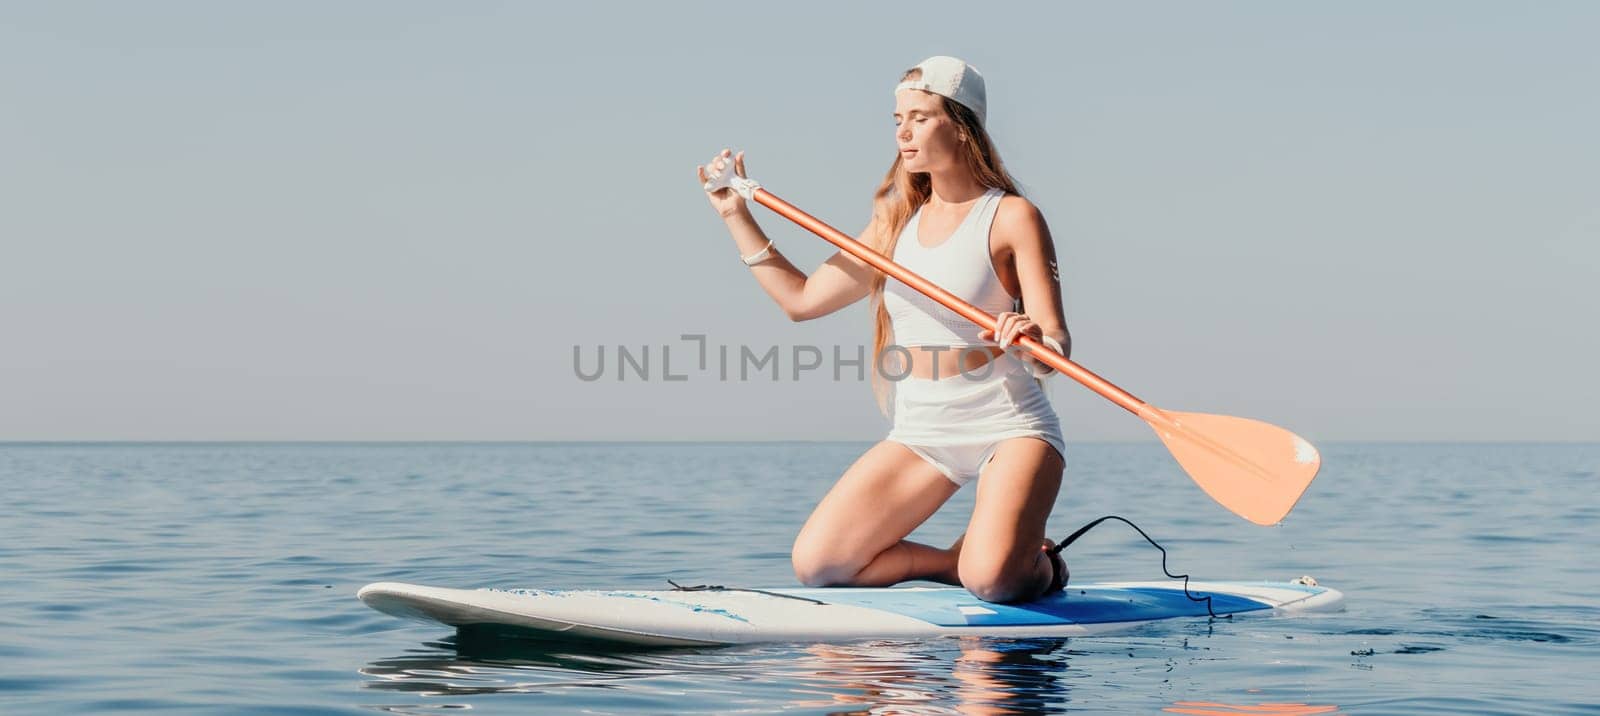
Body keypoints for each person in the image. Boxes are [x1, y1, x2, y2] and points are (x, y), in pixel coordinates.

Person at [696, 56, 1070, 603]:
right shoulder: (894, 226)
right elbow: (801, 301)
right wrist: (734, 214)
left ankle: (1042, 567)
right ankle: (951, 563)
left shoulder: (1012, 217)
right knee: (820, 564)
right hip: (923, 432)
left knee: (992, 581)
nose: (902, 130)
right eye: (897, 117)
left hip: (1009, 427)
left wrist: (1032, 338)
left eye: (919, 116)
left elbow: (1056, 346)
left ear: (961, 126)